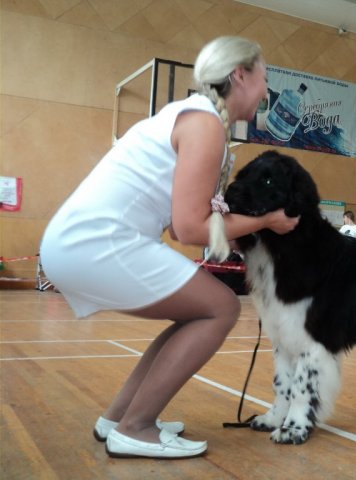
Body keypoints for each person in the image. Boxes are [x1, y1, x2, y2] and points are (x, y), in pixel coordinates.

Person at [39, 36, 299, 459]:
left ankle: (119, 418)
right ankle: (136, 427)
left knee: (196, 313)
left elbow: (184, 229)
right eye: (264, 78)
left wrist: (239, 231)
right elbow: (191, 225)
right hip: (98, 241)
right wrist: (269, 221)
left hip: (80, 241)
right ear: (240, 75)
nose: (267, 91)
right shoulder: (204, 124)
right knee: (222, 307)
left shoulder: (191, 117)